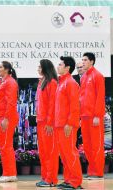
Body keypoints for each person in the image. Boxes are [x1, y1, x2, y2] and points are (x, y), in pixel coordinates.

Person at [55, 56, 82, 189]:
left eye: (60, 64)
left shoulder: (71, 83)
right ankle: (68, 179)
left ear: (67, 68)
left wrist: (70, 123)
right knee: (64, 154)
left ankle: (75, 181)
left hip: (67, 125)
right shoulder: (61, 82)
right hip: (60, 124)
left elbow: (75, 106)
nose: (58, 66)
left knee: (70, 152)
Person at [80, 52, 105, 179]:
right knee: (88, 145)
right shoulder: (84, 77)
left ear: (92, 61)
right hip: (84, 116)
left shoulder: (98, 76)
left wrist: (97, 115)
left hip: (94, 116)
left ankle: (98, 172)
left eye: (85, 60)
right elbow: (82, 98)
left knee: (96, 144)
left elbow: (100, 97)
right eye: (82, 60)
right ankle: (91, 171)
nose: (83, 62)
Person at [0, 61, 19, 182]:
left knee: (6, 146)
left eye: (0, 67)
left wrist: (6, 118)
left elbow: (11, 102)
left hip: (6, 118)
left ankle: (10, 174)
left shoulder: (10, 82)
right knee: (3, 146)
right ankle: (8, 173)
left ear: (7, 69)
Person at [35, 59, 59, 187]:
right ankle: (45, 177)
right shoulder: (42, 82)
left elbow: (52, 105)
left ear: (45, 68)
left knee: (50, 152)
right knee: (43, 152)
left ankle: (51, 179)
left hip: (48, 123)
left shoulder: (52, 83)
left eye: (40, 67)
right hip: (40, 121)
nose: (38, 69)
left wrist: (50, 122)